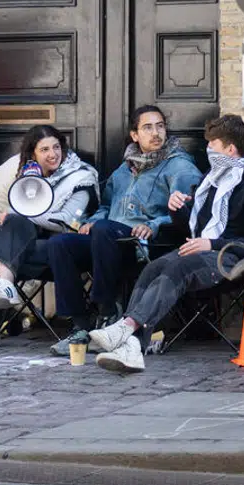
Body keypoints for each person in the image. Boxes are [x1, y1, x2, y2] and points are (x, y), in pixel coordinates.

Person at [90, 114, 244, 374]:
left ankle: (127, 328)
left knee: (177, 270)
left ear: (230, 149)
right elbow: (194, 224)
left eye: (214, 145)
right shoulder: (213, 179)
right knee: (152, 269)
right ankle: (132, 347)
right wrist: (178, 208)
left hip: (230, 258)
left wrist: (210, 244)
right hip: (201, 249)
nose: (208, 149)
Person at [39, 105, 202, 355]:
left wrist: (153, 225)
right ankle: (79, 327)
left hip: (143, 244)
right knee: (61, 244)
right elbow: (106, 205)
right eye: (147, 127)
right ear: (135, 135)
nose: (156, 133)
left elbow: (190, 210)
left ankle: (107, 312)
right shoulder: (123, 170)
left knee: (104, 230)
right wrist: (91, 221)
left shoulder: (179, 166)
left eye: (160, 126)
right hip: (107, 239)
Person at [0, 126, 98, 353]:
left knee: (2, 250)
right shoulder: (31, 179)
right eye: (44, 150)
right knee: (12, 230)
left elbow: (68, 221)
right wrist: (20, 210)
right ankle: (4, 287)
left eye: (56, 147)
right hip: (31, 250)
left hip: (65, 248)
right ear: (34, 155)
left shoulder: (81, 177)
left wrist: (25, 214)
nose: (52, 154)